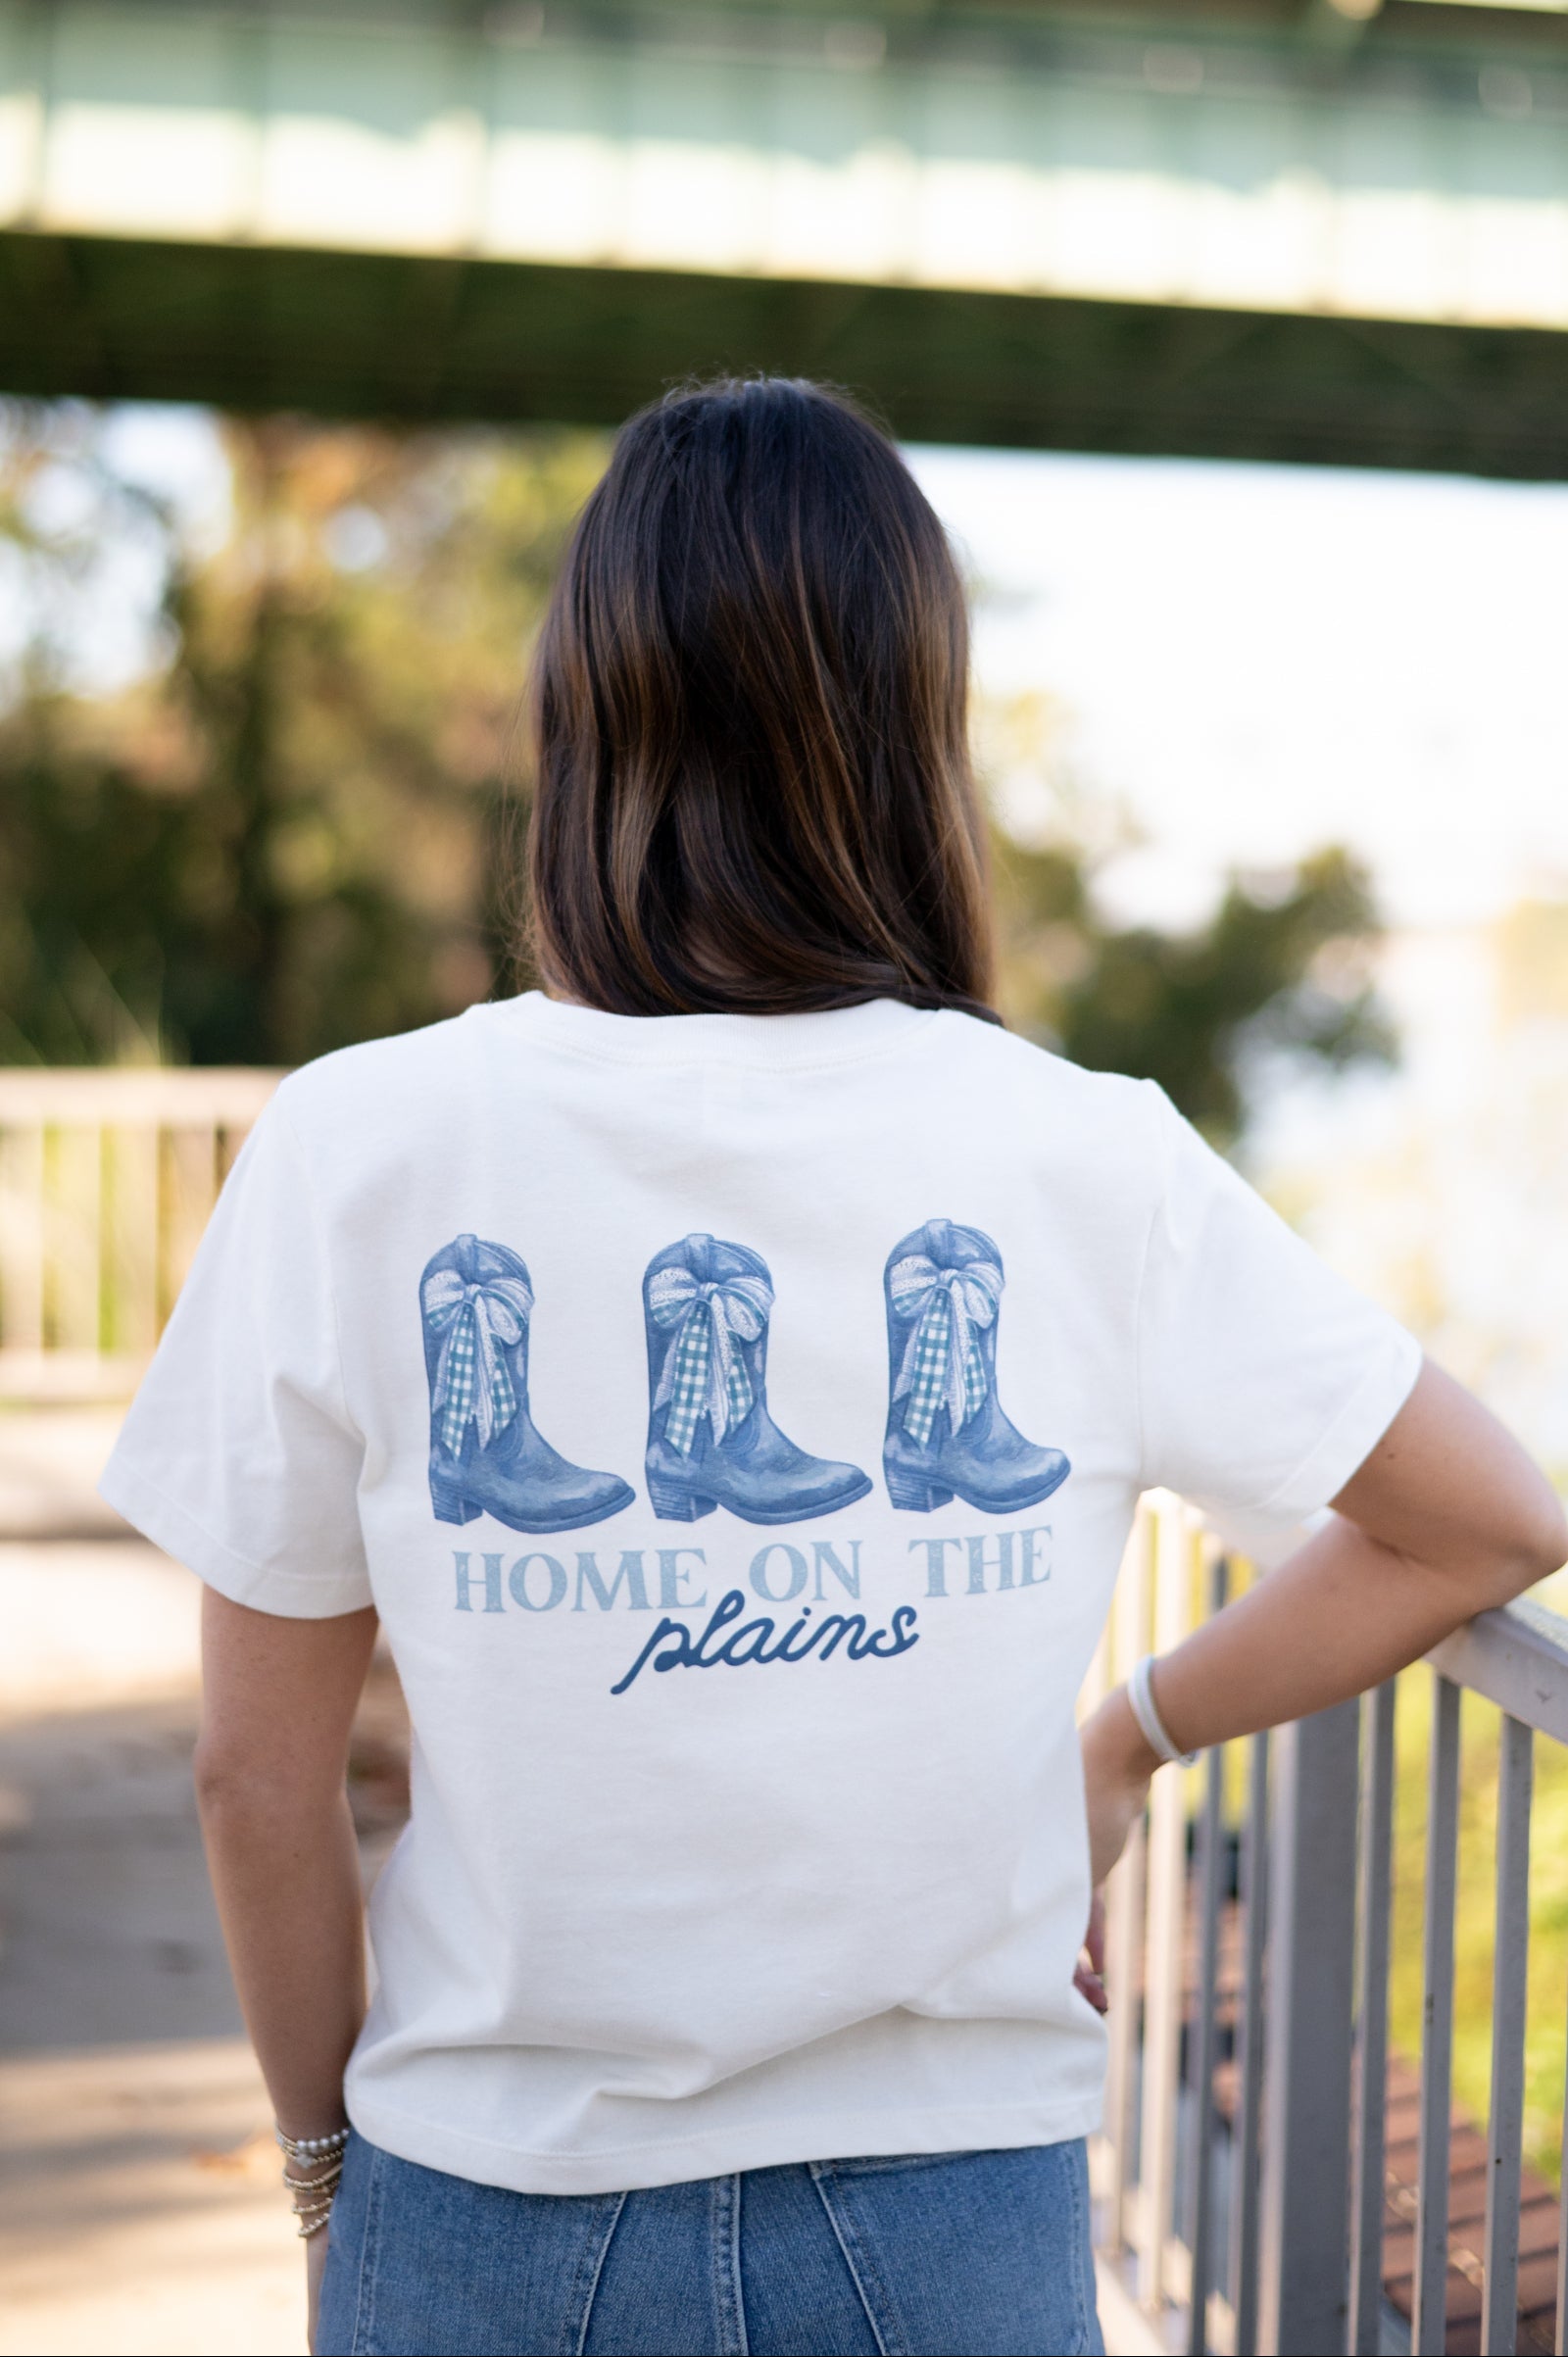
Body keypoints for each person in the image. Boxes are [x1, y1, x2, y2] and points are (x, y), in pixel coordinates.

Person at [100, 377, 1565, 2357]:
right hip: (948, 2215)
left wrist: (323, 2168)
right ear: (907, 738)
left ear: (583, 720)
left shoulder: (361, 1148)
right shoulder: (1077, 1152)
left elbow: (253, 1776)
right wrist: (1125, 1730)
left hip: (483, 2209)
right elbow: (1482, 1520)